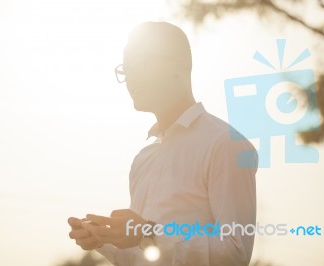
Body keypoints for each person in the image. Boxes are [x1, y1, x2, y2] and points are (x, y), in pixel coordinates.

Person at [67, 21, 258, 266]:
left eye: (141, 64)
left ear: (180, 65)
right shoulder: (143, 160)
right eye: (126, 69)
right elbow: (144, 255)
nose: (131, 77)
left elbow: (235, 252)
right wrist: (104, 239)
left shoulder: (225, 144)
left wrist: (148, 234)